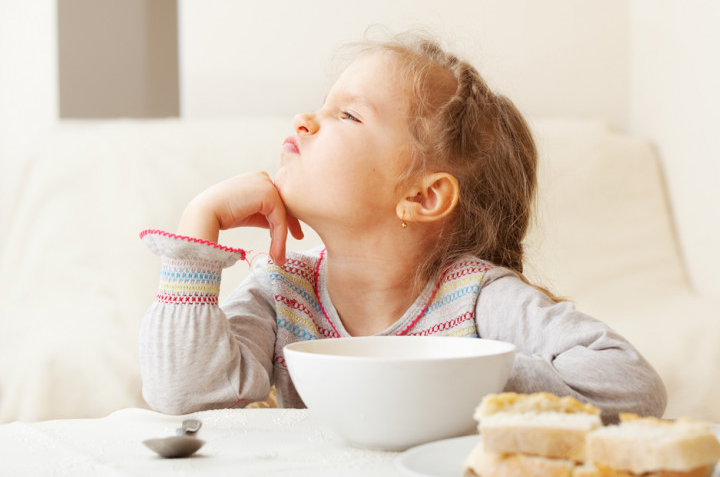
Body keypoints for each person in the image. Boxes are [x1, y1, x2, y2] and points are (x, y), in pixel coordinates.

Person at [138, 34, 666, 423]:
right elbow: (186, 398)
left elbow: (631, 385)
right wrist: (197, 229)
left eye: (348, 116)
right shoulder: (281, 292)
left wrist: (466, 377)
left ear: (421, 196)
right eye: (323, 105)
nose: (303, 119)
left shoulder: (474, 298)